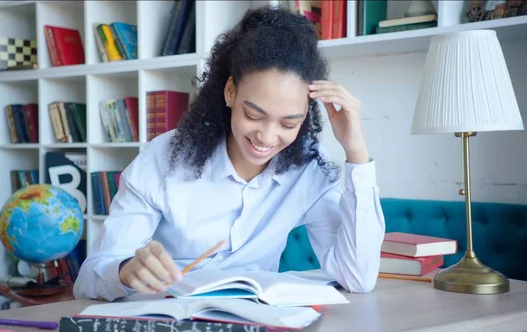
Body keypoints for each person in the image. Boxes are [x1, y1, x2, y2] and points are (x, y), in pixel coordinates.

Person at [73, 5, 385, 301]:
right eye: (254, 115)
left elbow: (357, 277)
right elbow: (87, 280)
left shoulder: (308, 167)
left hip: (257, 323)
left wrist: (356, 152)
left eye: (289, 123)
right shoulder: (164, 159)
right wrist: (126, 271)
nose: (267, 136)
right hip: (169, 318)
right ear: (231, 91)